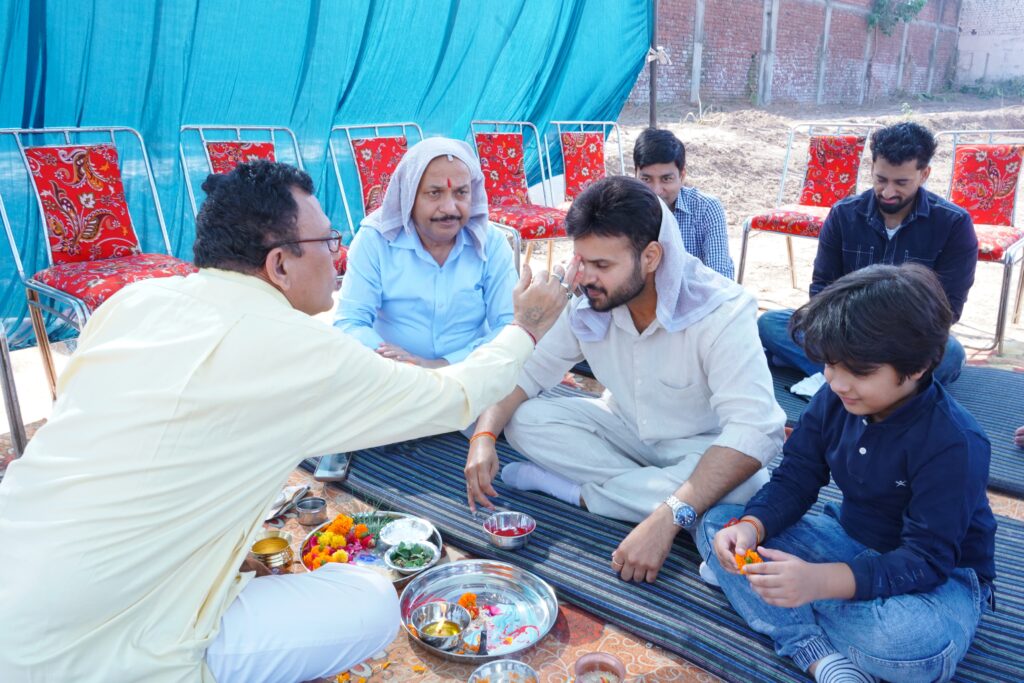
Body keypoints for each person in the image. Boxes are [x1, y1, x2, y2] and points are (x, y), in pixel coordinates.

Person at [0, 161, 572, 683]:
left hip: (15, 565)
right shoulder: (295, 346)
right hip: (96, 648)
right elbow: (453, 396)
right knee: (371, 602)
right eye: (327, 241)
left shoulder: (133, 301)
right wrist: (526, 328)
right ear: (279, 263)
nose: (337, 254)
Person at [464, 176, 786, 583]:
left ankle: (573, 492)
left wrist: (667, 518)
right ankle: (679, 506)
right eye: (582, 260)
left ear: (650, 257)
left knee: (750, 482)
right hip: (622, 429)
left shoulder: (723, 312)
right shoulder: (590, 300)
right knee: (521, 419)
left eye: (602, 265)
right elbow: (524, 375)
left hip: (701, 448)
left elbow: (756, 428)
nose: (584, 277)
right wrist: (483, 437)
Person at [700, 263, 996, 683]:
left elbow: (927, 560)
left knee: (912, 648)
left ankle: (770, 597)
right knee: (716, 524)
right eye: (829, 364)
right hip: (850, 538)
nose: (837, 382)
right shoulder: (836, 398)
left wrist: (817, 583)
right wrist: (751, 527)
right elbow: (797, 476)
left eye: (858, 371)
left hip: (941, 578)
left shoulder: (955, 442)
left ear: (916, 367)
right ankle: (819, 654)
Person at [758, 121, 977, 387]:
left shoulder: (953, 224)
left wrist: (889, 335)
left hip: (906, 340)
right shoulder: (844, 214)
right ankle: (887, 385)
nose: (888, 192)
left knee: (951, 355)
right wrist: (850, 331)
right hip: (846, 332)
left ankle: (837, 373)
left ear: (924, 174)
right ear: (872, 167)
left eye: (901, 183)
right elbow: (822, 289)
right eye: (881, 179)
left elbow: (948, 310)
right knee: (770, 324)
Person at [335, 137, 517, 367]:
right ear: (409, 196)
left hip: (471, 372)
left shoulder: (491, 242)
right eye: (434, 193)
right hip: (393, 375)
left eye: (461, 193)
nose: (450, 208)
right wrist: (397, 362)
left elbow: (509, 324)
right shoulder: (375, 240)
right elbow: (350, 322)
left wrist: (445, 364)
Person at [633, 127, 734, 278]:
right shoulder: (623, 211)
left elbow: (719, 279)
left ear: (682, 176)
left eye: (666, 179)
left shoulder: (706, 209)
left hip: (697, 299)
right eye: (646, 179)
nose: (656, 191)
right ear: (635, 174)